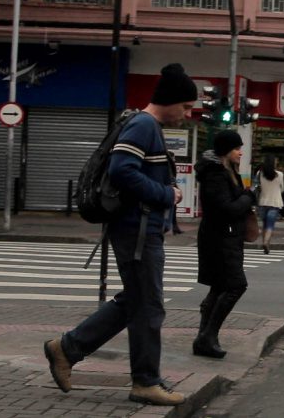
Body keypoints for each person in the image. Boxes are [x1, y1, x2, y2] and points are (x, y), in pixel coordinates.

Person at [43, 63, 197, 406]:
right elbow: (122, 170)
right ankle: (145, 382)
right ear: (171, 100)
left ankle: (67, 348)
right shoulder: (143, 125)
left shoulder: (146, 126)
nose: (188, 114)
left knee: (136, 300)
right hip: (136, 231)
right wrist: (166, 194)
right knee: (150, 307)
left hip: (139, 230)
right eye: (186, 107)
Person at [192, 130, 255, 359]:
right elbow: (227, 209)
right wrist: (249, 197)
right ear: (226, 150)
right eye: (237, 148)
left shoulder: (229, 172)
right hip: (219, 239)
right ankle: (208, 335)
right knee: (236, 285)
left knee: (219, 287)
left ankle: (204, 338)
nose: (241, 152)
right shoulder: (215, 175)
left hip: (228, 238)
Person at [255, 156, 283, 254]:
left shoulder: (260, 174)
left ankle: (264, 243)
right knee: (270, 225)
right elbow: (282, 187)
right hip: (275, 203)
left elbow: (256, 186)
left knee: (265, 225)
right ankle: (266, 242)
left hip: (263, 202)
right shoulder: (279, 175)